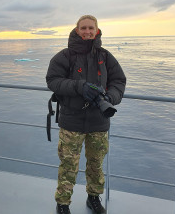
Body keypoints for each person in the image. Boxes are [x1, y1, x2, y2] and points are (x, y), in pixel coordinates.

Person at [46, 15, 126, 214]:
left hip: (99, 121)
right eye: (83, 28)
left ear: (97, 30)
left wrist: (110, 97)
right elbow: (53, 80)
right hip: (71, 120)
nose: (87, 31)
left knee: (96, 164)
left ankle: (94, 198)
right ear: (77, 30)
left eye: (91, 28)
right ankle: (63, 204)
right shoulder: (65, 56)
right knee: (68, 166)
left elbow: (119, 81)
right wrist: (78, 86)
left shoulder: (106, 57)